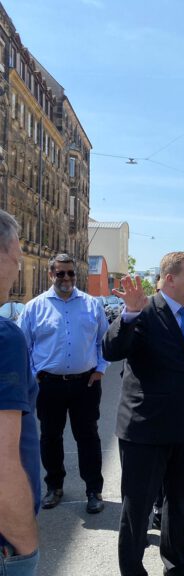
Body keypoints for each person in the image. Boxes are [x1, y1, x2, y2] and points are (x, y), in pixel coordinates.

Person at [103, 251, 184, 576]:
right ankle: (132, 570)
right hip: (145, 431)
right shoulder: (144, 312)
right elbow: (112, 349)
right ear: (168, 278)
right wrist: (129, 314)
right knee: (137, 508)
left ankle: (177, 564)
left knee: (179, 502)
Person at [17, 253, 109, 514]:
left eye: (71, 273)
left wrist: (100, 369)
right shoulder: (34, 307)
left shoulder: (92, 305)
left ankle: (93, 490)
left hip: (86, 383)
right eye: (61, 273)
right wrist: (35, 373)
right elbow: (24, 346)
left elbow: (104, 341)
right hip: (49, 385)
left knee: (88, 437)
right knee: (50, 437)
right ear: (51, 275)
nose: (67, 278)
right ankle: (54, 486)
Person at [0, 210, 40, 576]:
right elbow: (2, 461)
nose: (19, 259)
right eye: (16, 249)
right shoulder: (4, 337)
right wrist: (25, 549)